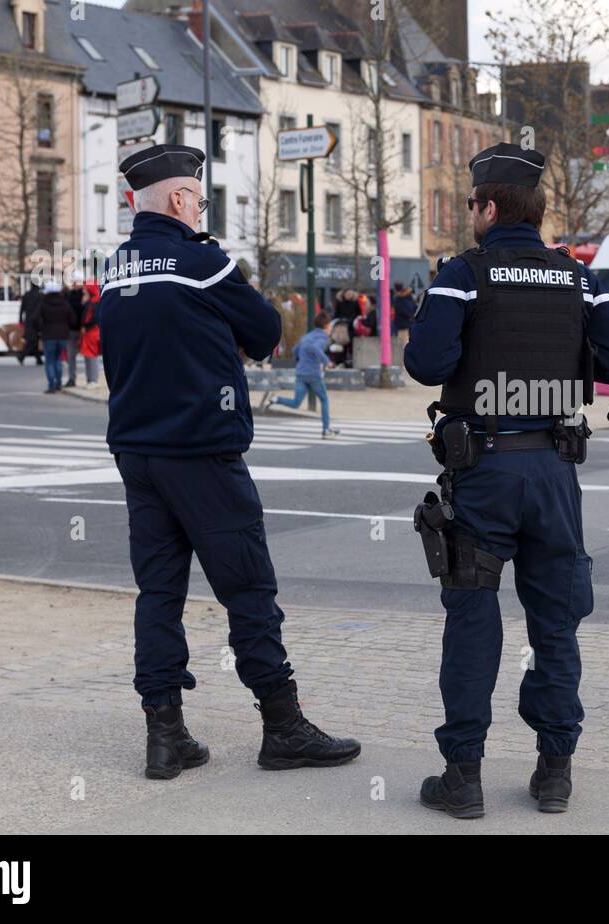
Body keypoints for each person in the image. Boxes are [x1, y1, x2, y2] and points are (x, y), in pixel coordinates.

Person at [100, 143, 359, 780]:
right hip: (203, 454)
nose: (200, 209)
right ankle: (283, 727)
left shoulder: (116, 268)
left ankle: (165, 736)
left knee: (157, 593)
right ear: (182, 201)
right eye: (199, 198)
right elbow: (267, 333)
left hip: (138, 453)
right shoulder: (202, 261)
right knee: (248, 590)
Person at [404, 142, 609, 817]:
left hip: (484, 468)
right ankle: (554, 771)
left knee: (473, 620)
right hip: (555, 470)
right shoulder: (579, 279)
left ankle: (464, 777)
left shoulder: (463, 273)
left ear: (486, 207)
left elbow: (427, 363)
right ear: (537, 212)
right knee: (557, 622)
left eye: (473, 205)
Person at [271, 311, 338, 438]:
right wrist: (327, 362)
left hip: (300, 372)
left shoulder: (307, 336)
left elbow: (295, 350)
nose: (330, 329)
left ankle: (276, 399)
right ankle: (326, 429)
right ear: (326, 326)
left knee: (296, 402)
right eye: (330, 326)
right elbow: (316, 348)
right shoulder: (323, 338)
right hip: (312, 373)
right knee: (324, 399)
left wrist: (304, 357)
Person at [37, 280, 76, 393]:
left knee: (49, 361)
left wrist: (41, 328)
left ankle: (51, 385)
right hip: (63, 335)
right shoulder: (65, 304)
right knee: (58, 359)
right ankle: (59, 383)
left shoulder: (43, 304)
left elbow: (35, 319)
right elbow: (73, 319)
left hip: (48, 335)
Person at [79, 282, 102, 386]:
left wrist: (85, 326)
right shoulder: (94, 301)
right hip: (92, 332)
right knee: (90, 356)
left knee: (91, 356)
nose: (83, 291)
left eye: (85, 290)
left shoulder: (93, 302)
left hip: (91, 332)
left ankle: (92, 380)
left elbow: (88, 318)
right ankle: (91, 379)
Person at [64, 282, 85, 388]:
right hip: (73, 330)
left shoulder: (85, 294)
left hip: (84, 330)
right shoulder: (69, 295)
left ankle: (91, 379)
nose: (74, 284)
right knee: (71, 356)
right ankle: (72, 379)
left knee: (88, 355)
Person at [17, 282, 43, 366]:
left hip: (28, 320)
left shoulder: (26, 295)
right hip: (37, 321)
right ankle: (22, 356)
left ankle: (38, 359)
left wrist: (20, 320)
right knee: (33, 341)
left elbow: (22, 308)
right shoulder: (39, 295)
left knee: (32, 339)